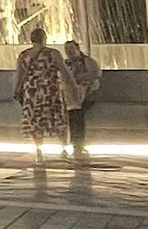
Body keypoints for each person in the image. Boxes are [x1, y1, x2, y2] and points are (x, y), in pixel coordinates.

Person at [15, 28, 76, 165]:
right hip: (50, 91)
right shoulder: (53, 54)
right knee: (58, 119)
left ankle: (39, 153)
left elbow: (19, 76)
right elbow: (65, 72)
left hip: (32, 93)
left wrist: (17, 90)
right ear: (45, 38)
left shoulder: (23, 55)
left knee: (35, 122)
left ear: (31, 40)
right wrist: (74, 87)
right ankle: (64, 150)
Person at [63, 41, 102, 159]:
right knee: (71, 114)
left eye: (71, 48)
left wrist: (77, 78)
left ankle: (78, 143)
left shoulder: (87, 61)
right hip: (71, 95)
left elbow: (95, 73)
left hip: (88, 95)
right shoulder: (66, 63)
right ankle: (74, 143)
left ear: (78, 48)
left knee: (77, 115)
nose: (69, 51)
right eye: (67, 49)